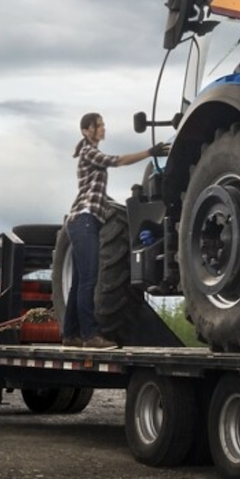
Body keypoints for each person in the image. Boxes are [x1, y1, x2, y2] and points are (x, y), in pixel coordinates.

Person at [64, 113, 162, 349]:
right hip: (83, 220)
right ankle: (90, 336)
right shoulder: (89, 152)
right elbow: (117, 161)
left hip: (86, 220)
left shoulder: (88, 153)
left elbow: (95, 192)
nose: (103, 128)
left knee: (79, 281)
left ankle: (70, 335)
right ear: (87, 130)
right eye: (100, 125)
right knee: (89, 279)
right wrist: (149, 153)